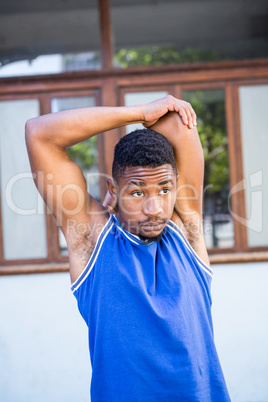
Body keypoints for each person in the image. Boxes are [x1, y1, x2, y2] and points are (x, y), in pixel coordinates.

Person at [25, 95, 230, 401]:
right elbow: (39, 133)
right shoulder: (93, 241)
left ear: (176, 184)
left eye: (164, 189)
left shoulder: (186, 230)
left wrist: (151, 117)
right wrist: (138, 112)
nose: (154, 208)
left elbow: (178, 123)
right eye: (136, 192)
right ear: (113, 190)